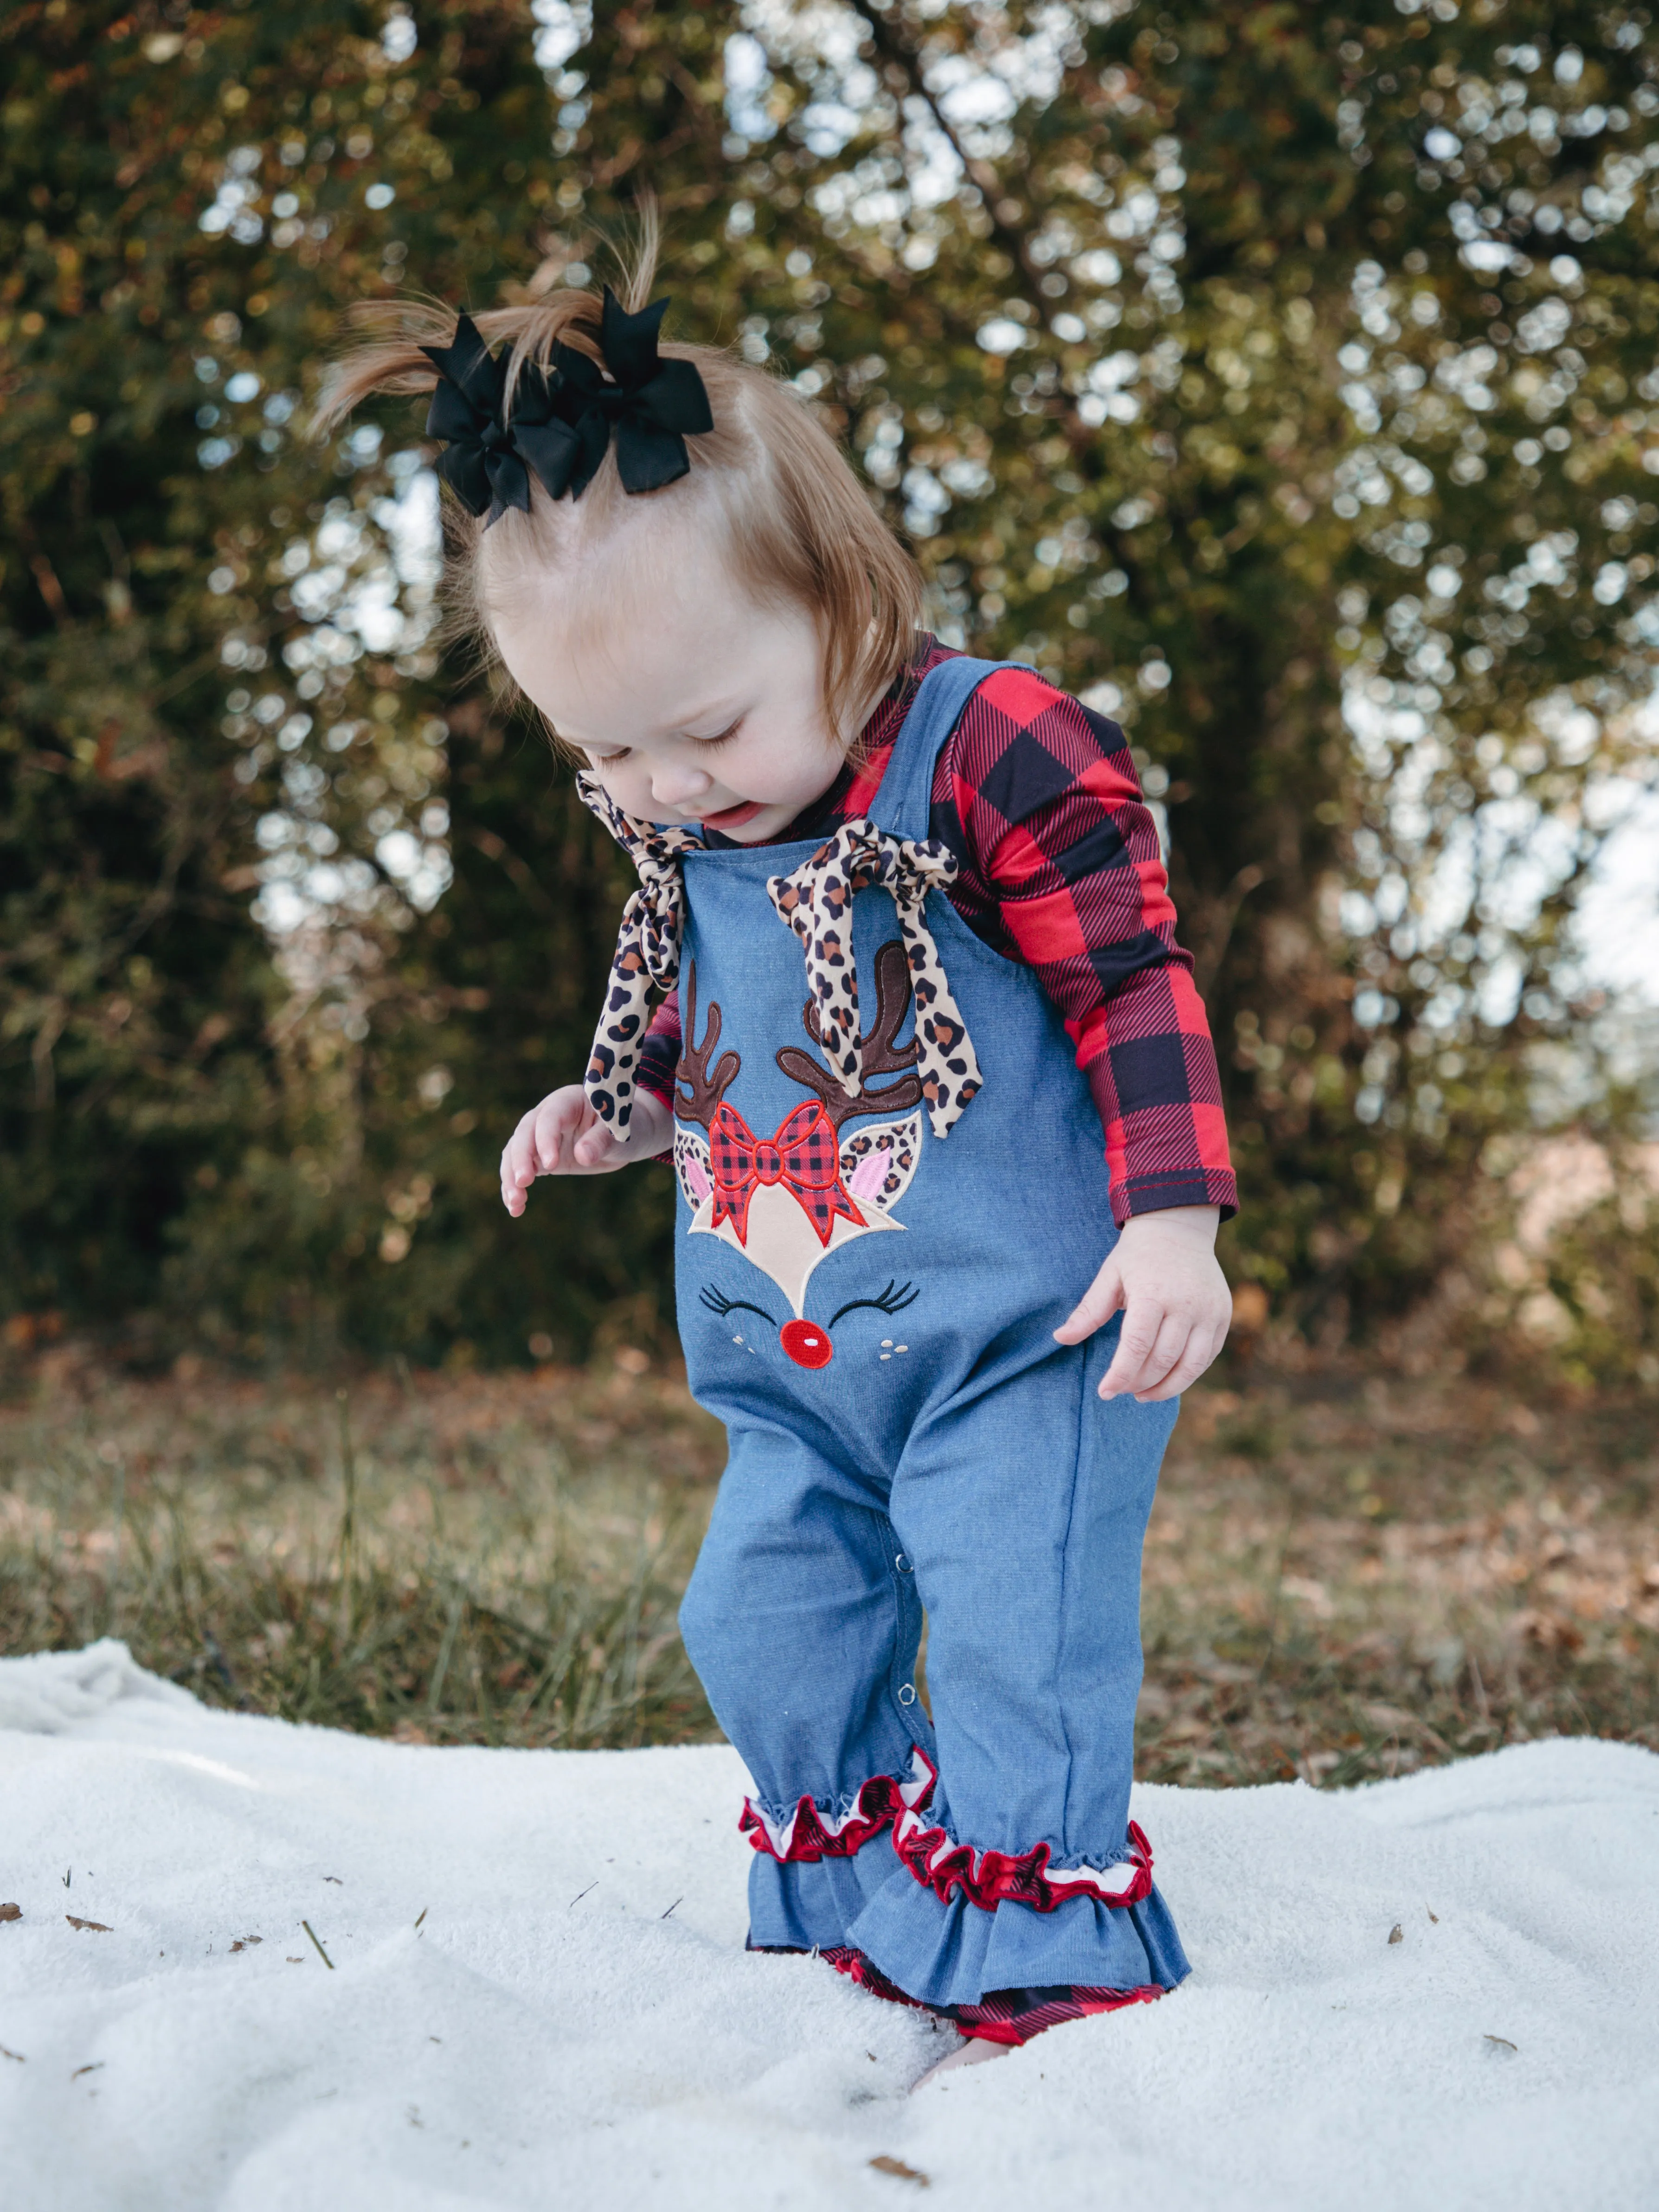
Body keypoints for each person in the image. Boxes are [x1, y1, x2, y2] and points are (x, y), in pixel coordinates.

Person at [322, 233, 1237, 2067]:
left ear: (842, 602)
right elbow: (717, 1022)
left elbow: (1135, 979)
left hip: (1024, 1334)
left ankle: (1029, 1919)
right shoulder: (702, 802)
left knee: (1010, 1618)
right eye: (609, 756)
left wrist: (1175, 1221)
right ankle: (868, 1860)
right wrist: (621, 1105)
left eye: (709, 730)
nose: (665, 790)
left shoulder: (987, 749)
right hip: (793, 1357)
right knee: (757, 1614)